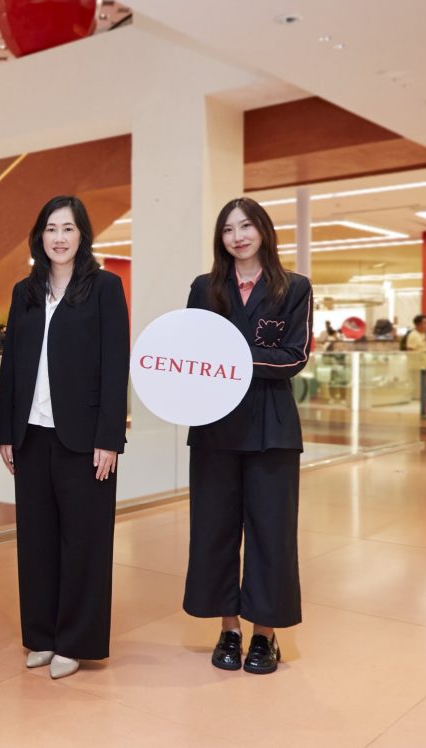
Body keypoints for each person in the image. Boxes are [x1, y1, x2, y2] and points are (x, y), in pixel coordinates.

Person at [0, 196, 129, 679]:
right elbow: (12, 365)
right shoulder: (25, 292)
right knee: (36, 540)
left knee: (84, 542)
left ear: (82, 235)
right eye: (51, 228)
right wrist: (5, 430)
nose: (59, 237)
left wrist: (110, 437)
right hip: (31, 434)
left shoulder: (105, 287)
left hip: (85, 438)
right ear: (40, 236)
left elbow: (115, 364)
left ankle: (76, 641)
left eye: (68, 228)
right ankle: (43, 636)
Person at [184, 196, 313, 675]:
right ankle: (229, 629)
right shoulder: (204, 287)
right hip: (213, 426)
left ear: (263, 230)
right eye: (227, 229)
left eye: (246, 226)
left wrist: (230, 358)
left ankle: (265, 635)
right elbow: (190, 353)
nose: (237, 236)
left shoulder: (294, 287)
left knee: (271, 533)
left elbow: (294, 356)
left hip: (271, 429)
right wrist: (249, 357)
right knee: (214, 530)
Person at [403, 314, 426, 418]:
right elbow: (410, 351)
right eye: (425, 323)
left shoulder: (422, 335)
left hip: (422, 366)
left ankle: (423, 412)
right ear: (418, 324)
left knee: (424, 390)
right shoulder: (413, 336)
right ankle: (422, 413)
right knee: (422, 391)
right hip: (417, 367)